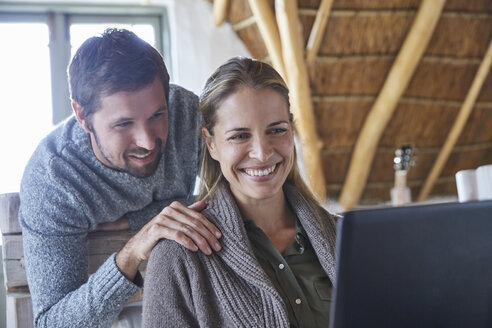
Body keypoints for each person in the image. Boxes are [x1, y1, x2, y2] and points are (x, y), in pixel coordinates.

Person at [19, 28, 222, 328]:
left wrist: (135, 220)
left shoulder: (187, 112)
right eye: (124, 123)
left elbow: (232, 196)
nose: (148, 142)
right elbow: (54, 322)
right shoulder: (54, 179)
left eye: (157, 115)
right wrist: (133, 249)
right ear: (82, 116)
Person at [143, 57, 338, 327]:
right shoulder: (177, 256)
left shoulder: (344, 238)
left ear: (291, 130)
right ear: (211, 144)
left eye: (277, 130)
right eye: (239, 136)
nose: (262, 153)